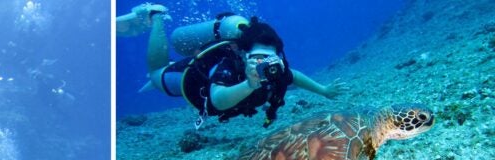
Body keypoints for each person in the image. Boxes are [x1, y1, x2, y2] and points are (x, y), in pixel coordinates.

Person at [120, 6, 346, 127]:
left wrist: (324, 91)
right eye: (257, 57)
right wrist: (249, 84)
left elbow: (293, 75)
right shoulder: (229, 64)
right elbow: (218, 100)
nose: (264, 63)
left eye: (271, 57)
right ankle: (156, 16)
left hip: (225, 79)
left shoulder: (275, 66)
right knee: (156, 74)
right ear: (242, 52)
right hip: (190, 80)